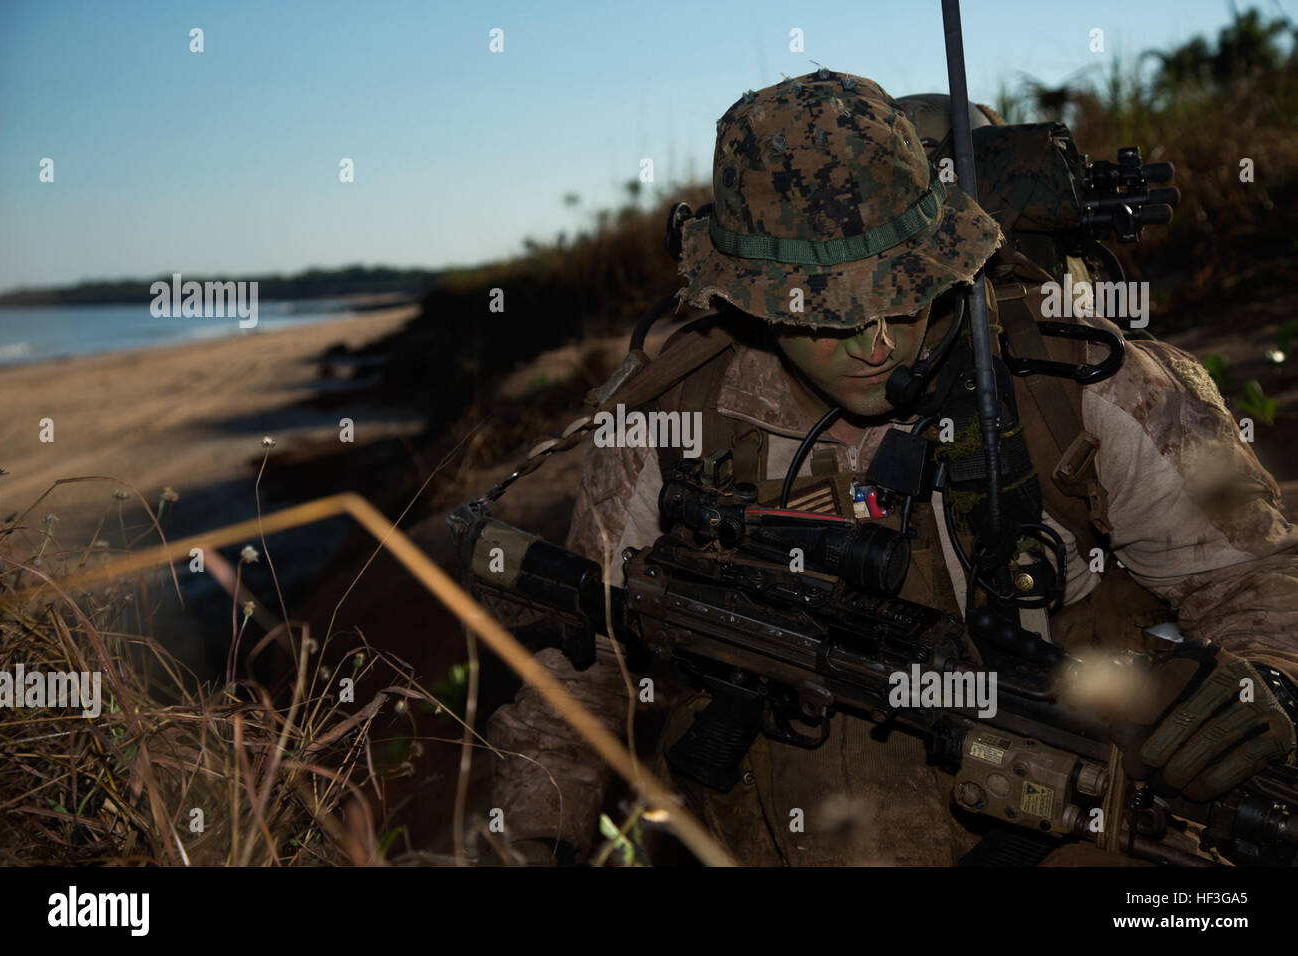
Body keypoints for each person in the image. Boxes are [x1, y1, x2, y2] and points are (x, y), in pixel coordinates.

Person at [485, 69, 1298, 866]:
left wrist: (1265, 681)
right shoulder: (670, 421)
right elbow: (583, 674)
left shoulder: (1081, 379)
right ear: (753, 301)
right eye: (832, 316)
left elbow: (1252, 577)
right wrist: (525, 838)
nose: (878, 344)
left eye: (909, 293)